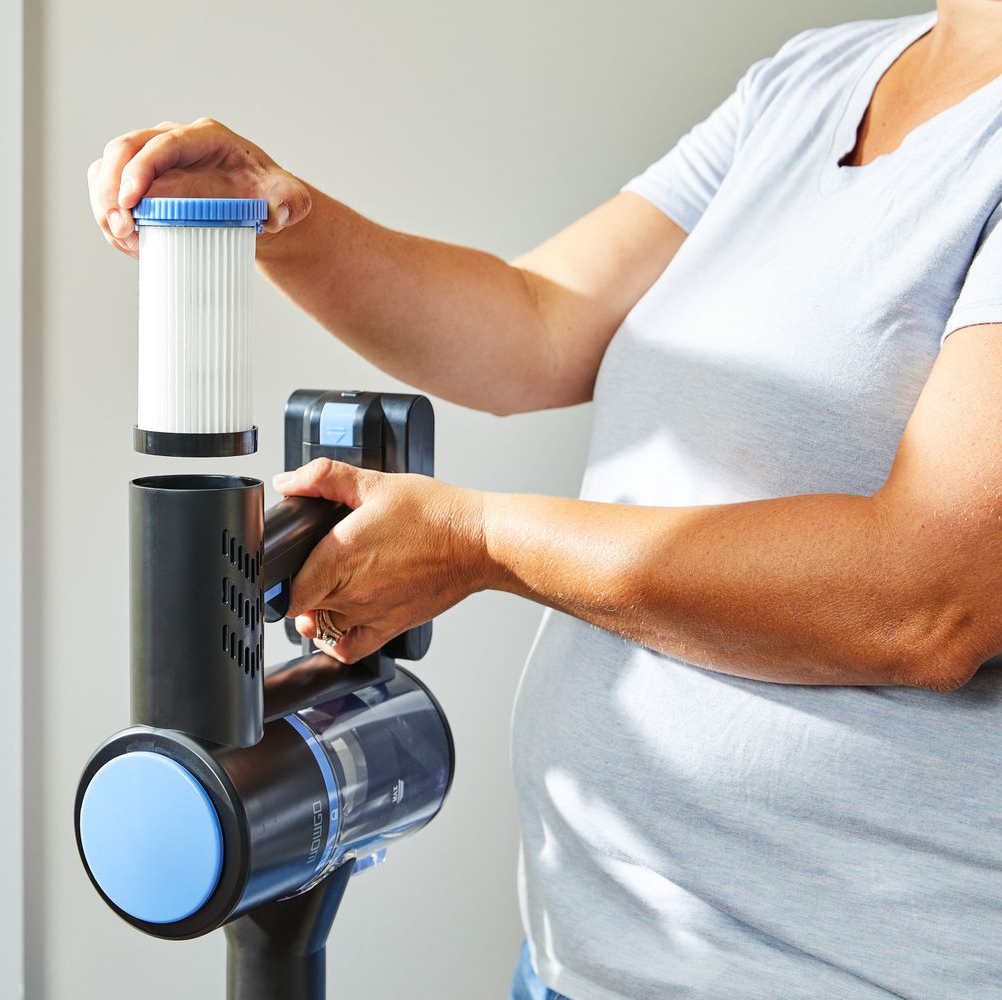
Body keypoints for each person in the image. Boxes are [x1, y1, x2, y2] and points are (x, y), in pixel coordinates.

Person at [87, 4, 1002, 998]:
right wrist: (278, 214)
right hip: (587, 954)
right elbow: (535, 322)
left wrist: (484, 541)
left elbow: (927, 593)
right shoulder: (817, 77)